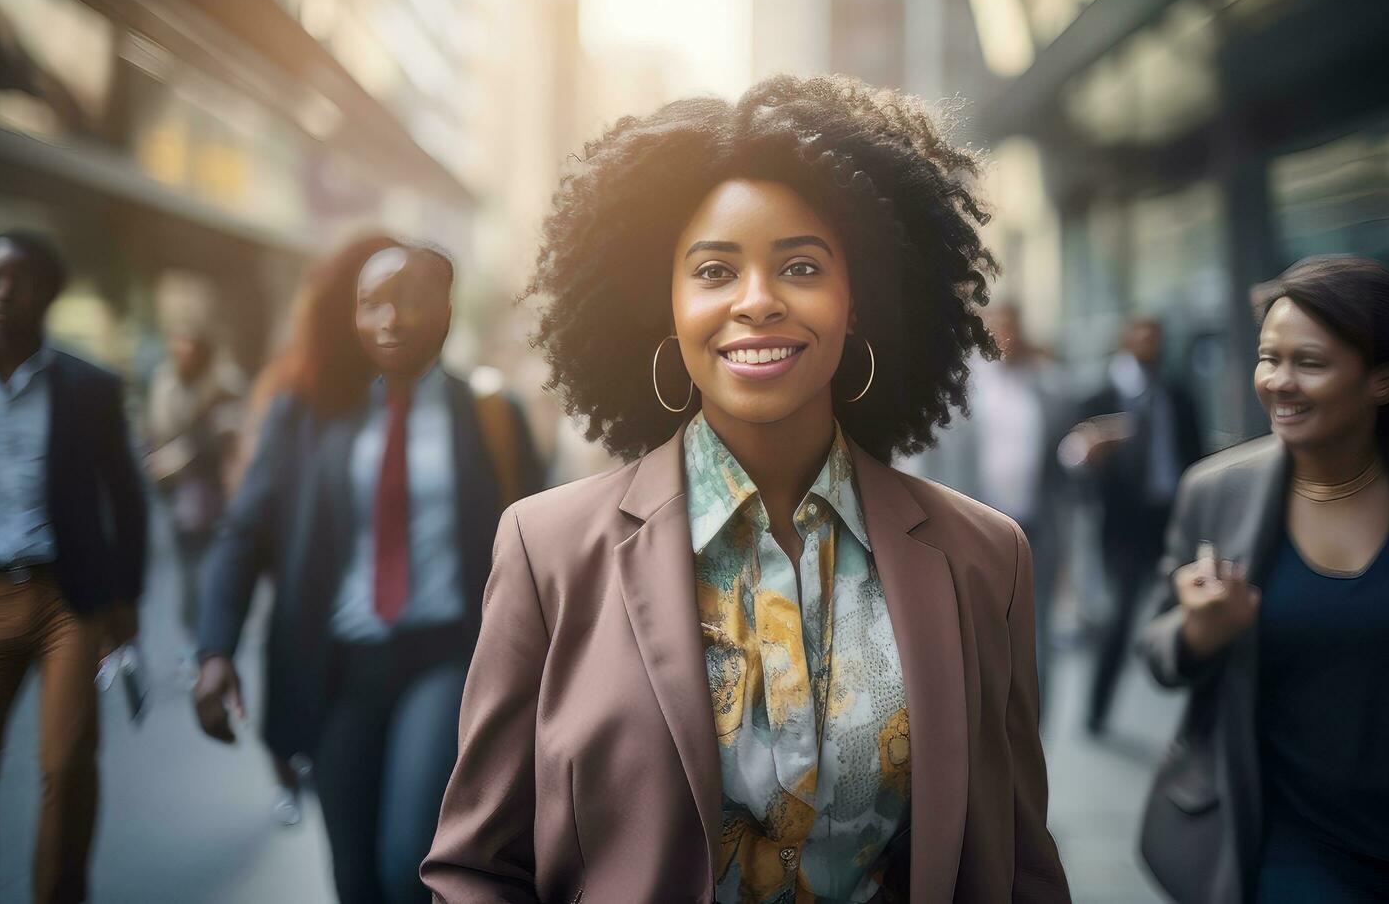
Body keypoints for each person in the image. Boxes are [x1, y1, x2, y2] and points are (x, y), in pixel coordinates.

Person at [422, 75, 1070, 903]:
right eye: (715, 271)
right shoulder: (547, 551)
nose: (757, 302)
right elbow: (477, 867)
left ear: (859, 297)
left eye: (800, 266)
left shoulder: (983, 558)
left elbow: (1017, 866)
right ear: (664, 307)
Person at [192, 235, 539, 904]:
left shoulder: (493, 416)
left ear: (445, 308)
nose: (390, 321)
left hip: (445, 659)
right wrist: (215, 648)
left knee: (409, 859)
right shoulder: (308, 411)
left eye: (409, 302)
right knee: (353, 879)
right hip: (337, 666)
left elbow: (539, 550)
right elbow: (244, 532)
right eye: (371, 304)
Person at [1138, 256, 1389, 903]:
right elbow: (1157, 648)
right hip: (1289, 843)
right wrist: (1199, 630)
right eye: (1268, 358)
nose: (1280, 382)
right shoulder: (1217, 491)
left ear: (1383, 379)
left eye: (1309, 362)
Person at [0, 230, 147, 904]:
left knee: (66, 765)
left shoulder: (89, 387)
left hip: (66, 600)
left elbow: (127, 499)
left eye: (15, 279)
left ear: (47, 292)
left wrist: (126, 601)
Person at [903, 301, 1072, 716]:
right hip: (970, 535)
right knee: (973, 635)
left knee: (1035, 640)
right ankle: (982, 736)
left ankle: (1031, 737)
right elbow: (927, 466)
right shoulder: (955, 389)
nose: (1004, 335)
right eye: (995, 325)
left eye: (1012, 325)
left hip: (1035, 532)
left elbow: (1063, 460)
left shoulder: (1048, 388)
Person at [1062, 316, 1203, 735]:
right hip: (1122, 522)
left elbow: (1194, 452)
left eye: (1155, 337)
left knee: (1190, 610)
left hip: (1172, 515)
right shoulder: (1100, 394)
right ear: (1126, 340)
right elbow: (1070, 454)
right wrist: (1087, 451)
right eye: (1140, 336)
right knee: (1119, 617)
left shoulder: (1176, 392)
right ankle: (1096, 713)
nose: (1149, 344)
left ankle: (1201, 713)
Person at [144, 319, 244, 649]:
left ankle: (215, 647)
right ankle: (196, 647)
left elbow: (227, 440)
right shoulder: (165, 384)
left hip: (217, 496)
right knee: (188, 579)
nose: (181, 353)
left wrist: (185, 453)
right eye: (177, 345)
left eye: (188, 346)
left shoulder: (225, 386)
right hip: (179, 498)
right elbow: (154, 434)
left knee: (215, 575)